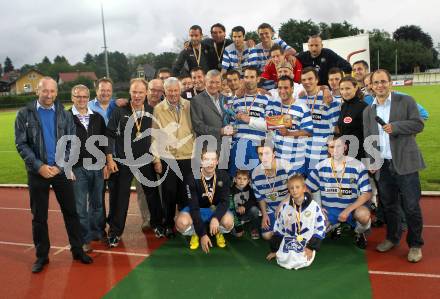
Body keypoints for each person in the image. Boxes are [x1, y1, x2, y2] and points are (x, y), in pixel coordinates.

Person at [15, 77, 93, 273]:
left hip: (60, 171)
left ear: (57, 92)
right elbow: (21, 144)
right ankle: (42, 256)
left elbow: (71, 142)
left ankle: (77, 250)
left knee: (71, 213)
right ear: (37, 92)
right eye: (45, 91)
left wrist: (60, 166)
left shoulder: (64, 114)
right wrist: (39, 166)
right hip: (37, 172)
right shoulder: (24, 114)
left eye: (52, 91)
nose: (48, 95)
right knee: (39, 217)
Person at [363, 69, 425, 262]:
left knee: (411, 206)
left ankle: (415, 245)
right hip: (383, 167)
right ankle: (392, 238)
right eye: (376, 82)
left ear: (390, 83)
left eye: (383, 81)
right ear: (371, 86)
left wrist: (396, 127)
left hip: (405, 164)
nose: (380, 85)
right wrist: (371, 160)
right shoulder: (368, 110)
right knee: (389, 206)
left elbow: (418, 124)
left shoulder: (405, 101)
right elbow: (368, 138)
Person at [105, 78, 163, 247]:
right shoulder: (119, 110)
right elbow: (109, 135)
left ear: (146, 93)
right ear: (129, 93)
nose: (137, 96)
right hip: (123, 162)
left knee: (152, 195)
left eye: (140, 92)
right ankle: (115, 232)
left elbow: (156, 137)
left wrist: (156, 159)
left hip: (145, 160)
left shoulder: (152, 110)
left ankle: (158, 225)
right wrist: (109, 159)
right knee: (120, 198)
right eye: (134, 92)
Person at [306, 136, 372, 249]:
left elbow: (367, 194)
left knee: (363, 215)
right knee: (311, 232)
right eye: (332, 147)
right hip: (329, 210)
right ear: (328, 149)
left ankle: (358, 231)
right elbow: (306, 189)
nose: (335, 150)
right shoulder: (320, 166)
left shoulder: (357, 166)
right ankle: (333, 225)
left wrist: (347, 210)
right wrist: (316, 207)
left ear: (345, 147)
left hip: (352, 209)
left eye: (338, 146)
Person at [151, 77, 195, 238]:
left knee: (186, 193)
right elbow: (154, 136)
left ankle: (184, 224)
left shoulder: (190, 106)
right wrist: (156, 159)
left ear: (180, 90)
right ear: (165, 92)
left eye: (176, 90)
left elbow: (196, 130)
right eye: (170, 91)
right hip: (167, 158)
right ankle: (168, 224)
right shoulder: (158, 109)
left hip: (188, 157)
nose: (173, 94)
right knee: (169, 193)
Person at [69, 84, 108, 252]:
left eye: (85, 96)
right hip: (77, 168)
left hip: (97, 166)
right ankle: (84, 239)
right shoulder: (65, 117)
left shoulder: (97, 118)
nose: (82, 100)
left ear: (89, 97)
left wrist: (106, 163)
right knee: (79, 206)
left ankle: (97, 232)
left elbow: (104, 142)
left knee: (97, 203)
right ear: (72, 98)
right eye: (78, 96)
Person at [175, 149, 234, 253]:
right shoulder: (191, 178)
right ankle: (196, 233)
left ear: (217, 161)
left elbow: (225, 202)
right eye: (206, 159)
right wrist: (202, 234)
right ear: (201, 161)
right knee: (181, 223)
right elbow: (193, 207)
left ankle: (217, 231)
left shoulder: (224, 176)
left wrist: (216, 218)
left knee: (228, 222)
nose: (210, 163)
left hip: (215, 208)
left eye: (213, 159)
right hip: (197, 208)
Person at [266, 175, 325, 270]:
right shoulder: (285, 207)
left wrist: (311, 247)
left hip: (307, 241)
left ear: (304, 188)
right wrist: (275, 250)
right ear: (289, 190)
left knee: (302, 260)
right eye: (291, 188)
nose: (294, 190)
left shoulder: (314, 206)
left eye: (297, 187)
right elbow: (279, 228)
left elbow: (320, 228)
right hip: (289, 239)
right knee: (283, 259)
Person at [298, 67, 341, 173]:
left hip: (322, 154)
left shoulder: (330, 100)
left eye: (310, 79)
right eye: (303, 80)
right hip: (302, 154)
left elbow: (336, 130)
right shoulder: (299, 100)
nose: (307, 82)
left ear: (317, 79)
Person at [230, 66, 271, 176]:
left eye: (252, 77)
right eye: (246, 77)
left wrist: (249, 120)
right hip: (238, 146)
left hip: (257, 147)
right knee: (236, 182)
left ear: (258, 79)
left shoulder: (267, 99)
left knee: (256, 181)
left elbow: (270, 125)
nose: (249, 80)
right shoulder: (236, 99)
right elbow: (230, 121)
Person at [269, 76, 312, 174]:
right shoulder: (274, 105)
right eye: (280, 88)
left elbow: (309, 132)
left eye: (286, 88)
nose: (282, 91)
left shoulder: (302, 107)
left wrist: (289, 133)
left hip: (296, 162)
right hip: (278, 160)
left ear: (292, 89)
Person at [251, 141, 294, 241]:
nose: (263, 157)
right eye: (261, 154)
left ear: (273, 154)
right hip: (271, 209)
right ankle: (282, 231)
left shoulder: (286, 166)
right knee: (267, 236)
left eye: (267, 153)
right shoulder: (255, 173)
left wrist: (283, 204)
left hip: (289, 205)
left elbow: (297, 190)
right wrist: (265, 214)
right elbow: (260, 198)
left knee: (292, 229)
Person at [190, 70, 234, 151]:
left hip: (226, 147)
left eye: (217, 82)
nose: (214, 85)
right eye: (211, 82)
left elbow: (228, 118)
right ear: (205, 82)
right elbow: (198, 126)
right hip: (208, 148)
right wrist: (220, 131)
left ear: (221, 83)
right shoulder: (196, 100)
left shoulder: (225, 99)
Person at [255, 23, 296, 90]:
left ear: (271, 33)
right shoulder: (256, 49)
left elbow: (293, 51)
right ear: (258, 35)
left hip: (281, 85)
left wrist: (280, 56)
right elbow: (255, 69)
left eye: (266, 33)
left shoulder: (278, 42)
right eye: (261, 34)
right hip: (264, 87)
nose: (264, 36)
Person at [336, 76, 368, 160]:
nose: (344, 92)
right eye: (342, 89)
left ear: (355, 88)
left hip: (360, 154)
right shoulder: (343, 106)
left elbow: (369, 134)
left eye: (347, 88)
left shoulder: (363, 107)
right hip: (345, 153)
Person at [229, 170, 260, 239]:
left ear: (248, 180)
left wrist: (244, 206)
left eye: (244, 179)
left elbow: (253, 200)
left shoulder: (250, 189)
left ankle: (254, 229)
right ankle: (232, 228)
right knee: (238, 235)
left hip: (245, 214)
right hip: (235, 215)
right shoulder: (231, 190)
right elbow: (229, 205)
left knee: (254, 209)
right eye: (239, 178)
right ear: (234, 179)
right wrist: (236, 209)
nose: (241, 181)